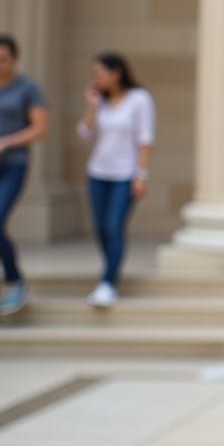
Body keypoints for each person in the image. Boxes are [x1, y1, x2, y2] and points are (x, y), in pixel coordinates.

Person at [77, 53, 155, 308]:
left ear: (117, 72)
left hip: (125, 174)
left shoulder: (139, 100)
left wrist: (141, 176)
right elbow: (85, 135)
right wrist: (91, 106)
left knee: (113, 226)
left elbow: (145, 139)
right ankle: (109, 273)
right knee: (100, 228)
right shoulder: (101, 102)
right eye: (94, 75)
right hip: (98, 173)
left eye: (100, 74)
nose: (96, 80)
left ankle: (108, 282)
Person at [0, 34, 49, 321]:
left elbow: (40, 129)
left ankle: (14, 280)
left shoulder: (28, 89)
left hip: (12, 164)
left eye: (3, 60)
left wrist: (4, 143)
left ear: (14, 59)